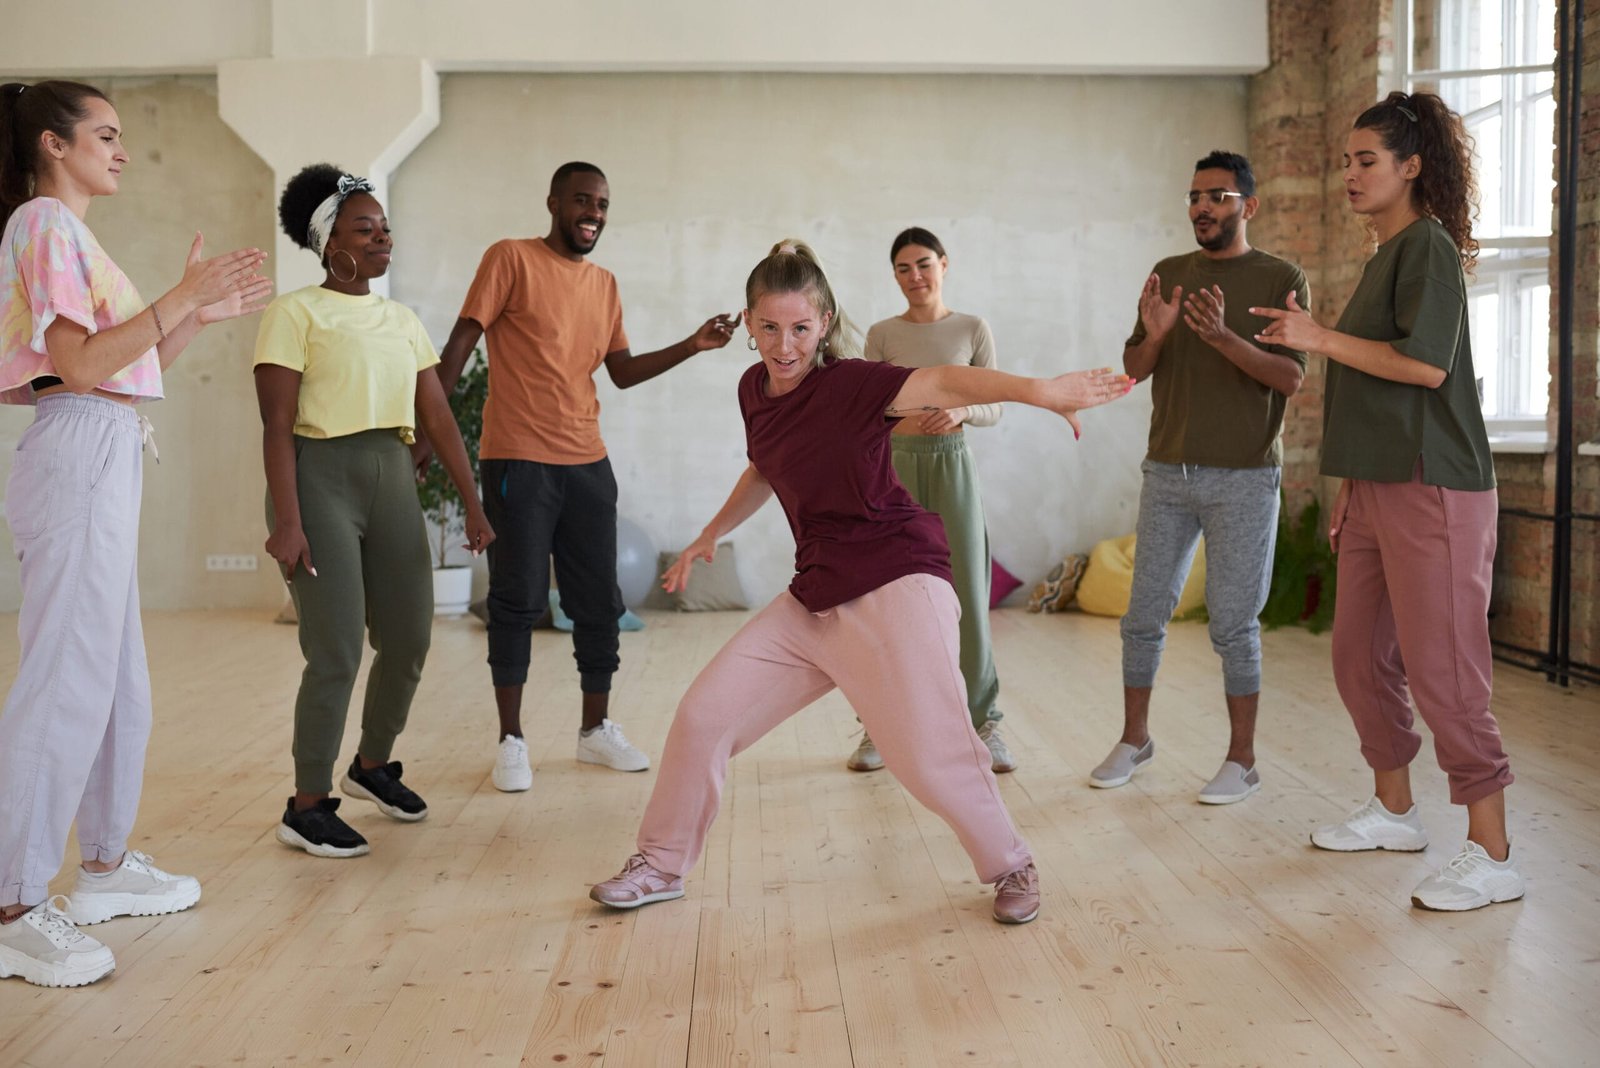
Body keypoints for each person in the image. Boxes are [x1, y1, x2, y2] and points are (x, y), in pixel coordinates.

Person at [588, 241, 1131, 924]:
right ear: (749, 326)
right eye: (770, 328)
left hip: (897, 578)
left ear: (824, 323)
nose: (785, 345)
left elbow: (945, 383)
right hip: (815, 596)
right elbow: (765, 466)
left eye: (801, 328)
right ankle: (661, 864)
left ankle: (1012, 863)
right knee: (702, 718)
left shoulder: (851, 383)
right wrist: (709, 533)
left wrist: (1039, 392)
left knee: (926, 756)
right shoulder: (752, 389)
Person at [0, 80, 271, 987]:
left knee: (117, 683)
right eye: (105, 135)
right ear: (52, 144)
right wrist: (177, 294)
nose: (120, 150)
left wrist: (191, 313)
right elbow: (74, 368)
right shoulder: (43, 223)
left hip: (103, 442)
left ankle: (105, 869)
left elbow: (119, 374)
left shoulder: (64, 231)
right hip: (80, 454)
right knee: (66, 680)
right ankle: (10, 900)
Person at [1253, 91, 1523, 911]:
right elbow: (1373, 390)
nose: (1350, 173)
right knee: (1358, 657)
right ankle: (1395, 810)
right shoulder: (1385, 255)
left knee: (1445, 673)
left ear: (1412, 166)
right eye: (1345, 161)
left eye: (1366, 159)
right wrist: (1352, 492)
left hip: (1435, 486)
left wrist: (1318, 337)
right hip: (1378, 487)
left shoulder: (1428, 248)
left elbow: (1426, 368)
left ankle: (1494, 852)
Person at [417, 161, 736, 792]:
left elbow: (619, 371)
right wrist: (427, 431)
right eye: (583, 201)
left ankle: (596, 731)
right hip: (518, 459)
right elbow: (457, 346)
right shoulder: (510, 258)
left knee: (600, 602)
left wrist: (691, 344)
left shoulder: (605, 284)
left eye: (603, 204)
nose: (594, 212)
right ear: (554, 202)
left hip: (588, 463)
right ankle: (510, 740)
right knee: (518, 600)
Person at [255, 164, 494, 859]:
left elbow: (438, 418)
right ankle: (305, 805)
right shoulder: (294, 313)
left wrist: (473, 504)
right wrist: (288, 521)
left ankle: (371, 765)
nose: (383, 237)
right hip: (316, 476)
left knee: (410, 638)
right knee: (333, 651)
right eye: (367, 228)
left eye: (386, 227)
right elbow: (276, 425)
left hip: (391, 474)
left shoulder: (401, 319)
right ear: (332, 245)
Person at [1088, 151, 1310, 805]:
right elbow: (1133, 368)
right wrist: (1156, 337)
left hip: (1244, 478)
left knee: (1233, 626)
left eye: (1217, 196)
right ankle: (1135, 739)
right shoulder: (1168, 274)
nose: (1202, 208)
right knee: (1142, 616)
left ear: (1249, 205)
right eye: (1194, 197)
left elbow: (1292, 377)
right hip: (1168, 473)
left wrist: (1224, 340)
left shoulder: (1280, 276)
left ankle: (1242, 761)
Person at [848, 227, 1016, 775]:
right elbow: (864, 411)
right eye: (903, 268)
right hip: (895, 469)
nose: (915, 277)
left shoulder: (972, 328)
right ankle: (880, 726)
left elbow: (996, 404)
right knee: (888, 596)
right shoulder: (881, 334)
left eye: (923, 264)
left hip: (952, 464)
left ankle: (985, 720)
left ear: (944, 264)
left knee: (967, 586)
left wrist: (963, 412)